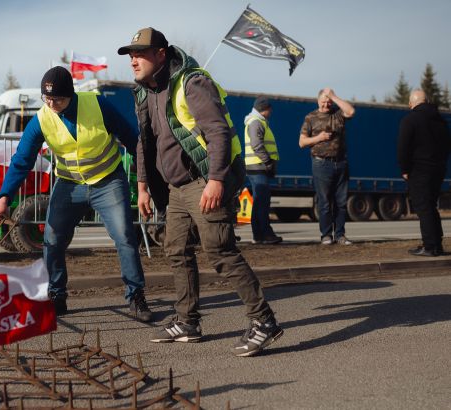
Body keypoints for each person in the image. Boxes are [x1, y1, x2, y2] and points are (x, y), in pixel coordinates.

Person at [119, 27, 283, 357]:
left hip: (204, 180)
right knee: (176, 249)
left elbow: (218, 132)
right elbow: (144, 141)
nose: (133, 60)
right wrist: (142, 185)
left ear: (161, 54)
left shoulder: (192, 83)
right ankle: (187, 322)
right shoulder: (146, 92)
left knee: (220, 250)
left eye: (140, 53)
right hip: (176, 188)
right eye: (130, 55)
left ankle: (263, 321)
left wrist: (217, 179)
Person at [0, 66, 152, 322]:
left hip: (108, 181)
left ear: (72, 95)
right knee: (52, 238)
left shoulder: (98, 105)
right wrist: (4, 197)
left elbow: (132, 140)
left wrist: (148, 179)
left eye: (58, 99)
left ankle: (136, 297)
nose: (52, 104)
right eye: (47, 99)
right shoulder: (42, 119)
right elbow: (22, 160)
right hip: (69, 184)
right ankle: (56, 295)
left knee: (124, 236)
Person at [397, 89, 451, 256]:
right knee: (431, 206)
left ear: (411, 103)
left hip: (419, 170)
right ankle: (437, 244)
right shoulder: (441, 121)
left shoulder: (410, 119)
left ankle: (429, 246)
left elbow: (403, 147)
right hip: (438, 169)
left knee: (423, 208)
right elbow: (447, 145)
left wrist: (405, 169)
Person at [298, 88, 355, 245]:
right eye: (323, 100)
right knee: (324, 202)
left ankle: (340, 235)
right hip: (321, 164)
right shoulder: (311, 117)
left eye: (328, 101)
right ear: (318, 101)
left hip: (341, 162)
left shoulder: (338, 114)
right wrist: (319, 137)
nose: (326, 104)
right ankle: (326, 235)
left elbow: (351, 111)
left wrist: (333, 96)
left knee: (341, 202)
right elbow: (302, 142)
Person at [244, 96, 282, 244]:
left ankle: (259, 235)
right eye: (269, 109)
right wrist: (268, 162)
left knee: (259, 202)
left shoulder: (257, 121)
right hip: (259, 167)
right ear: (264, 109)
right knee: (263, 203)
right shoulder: (256, 122)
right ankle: (266, 234)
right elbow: (256, 144)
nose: (271, 111)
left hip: (256, 167)